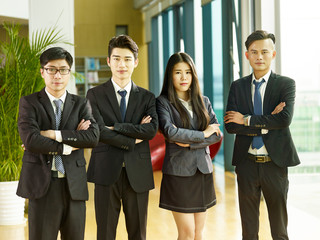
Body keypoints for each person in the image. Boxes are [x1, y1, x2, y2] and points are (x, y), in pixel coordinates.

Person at [224, 30, 300, 240]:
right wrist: (268, 121)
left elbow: (284, 120)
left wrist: (247, 120)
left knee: (279, 229)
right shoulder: (237, 86)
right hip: (246, 163)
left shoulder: (286, 84)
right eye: (254, 52)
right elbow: (231, 125)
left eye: (264, 52)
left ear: (273, 54)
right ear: (247, 55)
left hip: (275, 164)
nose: (259, 57)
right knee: (249, 229)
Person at [17, 47, 99, 240]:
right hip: (42, 186)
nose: (57, 75)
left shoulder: (81, 104)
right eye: (51, 69)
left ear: (69, 72)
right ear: (42, 72)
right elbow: (31, 140)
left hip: (74, 187)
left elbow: (93, 137)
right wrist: (69, 145)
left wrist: (53, 134)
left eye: (63, 70)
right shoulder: (29, 103)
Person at [86, 35, 158, 240]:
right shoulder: (94, 95)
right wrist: (133, 136)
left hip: (138, 172)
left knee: (138, 234)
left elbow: (151, 130)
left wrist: (116, 127)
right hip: (105, 171)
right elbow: (98, 130)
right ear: (108, 61)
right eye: (116, 58)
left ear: (135, 62)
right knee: (105, 234)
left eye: (127, 59)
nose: (121, 64)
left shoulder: (147, 97)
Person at [156, 52, 222, 240]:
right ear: (170, 75)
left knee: (198, 233)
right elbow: (170, 132)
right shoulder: (163, 103)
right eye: (178, 72)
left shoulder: (204, 101)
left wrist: (189, 141)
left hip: (202, 172)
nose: (184, 77)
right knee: (186, 233)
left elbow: (217, 134)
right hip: (178, 173)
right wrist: (203, 134)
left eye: (188, 72)